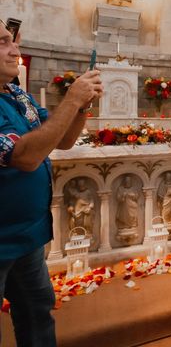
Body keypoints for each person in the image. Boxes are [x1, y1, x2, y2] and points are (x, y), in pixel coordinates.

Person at [0, 20, 102, 346]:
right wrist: (71, 100)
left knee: (37, 316)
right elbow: (26, 157)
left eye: (13, 42)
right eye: (3, 43)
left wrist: (83, 105)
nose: (15, 51)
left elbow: (63, 140)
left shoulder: (17, 93)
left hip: (28, 237)